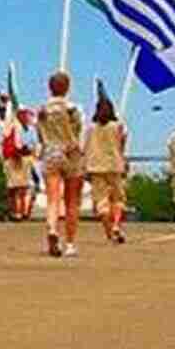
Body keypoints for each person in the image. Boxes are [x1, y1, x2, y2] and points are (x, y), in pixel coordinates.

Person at [36, 72, 85, 258]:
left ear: (50, 87)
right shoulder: (73, 108)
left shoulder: (42, 110)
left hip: (50, 152)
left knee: (53, 198)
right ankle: (70, 243)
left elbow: (40, 135)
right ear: (67, 87)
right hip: (71, 153)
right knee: (72, 201)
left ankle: (52, 228)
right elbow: (78, 130)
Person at [83, 94, 128, 245]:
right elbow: (122, 146)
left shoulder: (90, 129)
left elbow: (86, 148)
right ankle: (116, 225)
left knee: (101, 201)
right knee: (118, 199)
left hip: (95, 166)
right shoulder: (119, 127)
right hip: (115, 165)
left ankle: (109, 230)